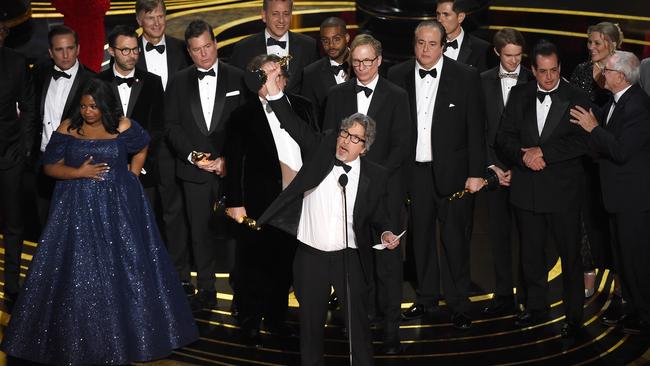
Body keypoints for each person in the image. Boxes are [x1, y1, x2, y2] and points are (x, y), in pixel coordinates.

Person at [1, 78, 198, 364]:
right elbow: (50, 167)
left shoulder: (123, 126)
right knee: (78, 269)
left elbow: (143, 146)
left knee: (127, 267)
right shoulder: (68, 128)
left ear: (104, 105)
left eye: (93, 106)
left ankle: (133, 335)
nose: (87, 111)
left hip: (119, 208)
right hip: (76, 207)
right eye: (83, 106)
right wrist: (78, 173)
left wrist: (132, 174)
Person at [258, 61, 401, 365]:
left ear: (365, 147)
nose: (346, 141)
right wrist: (273, 90)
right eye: (344, 133)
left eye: (354, 139)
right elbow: (293, 123)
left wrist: (387, 232)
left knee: (358, 328)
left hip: (348, 257)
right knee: (310, 328)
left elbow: (381, 217)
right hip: (310, 256)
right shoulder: (322, 147)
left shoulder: (376, 176)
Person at [387, 20, 485, 330]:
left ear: (443, 46)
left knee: (455, 240)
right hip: (414, 173)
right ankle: (427, 298)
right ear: (413, 44)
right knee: (421, 240)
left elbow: (475, 130)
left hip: (454, 174)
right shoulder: (397, 75)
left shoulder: (466, 76)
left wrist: (475, 174)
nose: (425, 49)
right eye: (420, 43)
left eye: (432, 44)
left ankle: (458, 304)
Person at [323, 33, 411, 354]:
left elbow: (403, 144)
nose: (360, 67)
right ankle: (360, 327)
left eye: (367, 61)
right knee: (355, 263)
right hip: (346, 191)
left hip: (386, 191)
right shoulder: (336, 95)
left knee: (388, 264)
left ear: (379, 60)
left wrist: (371, 176)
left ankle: (391, 332)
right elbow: (329, 139)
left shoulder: (397, 95)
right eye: (355, 61)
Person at [496, 40, 590, 338]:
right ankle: (535, 308)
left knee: (570, 257)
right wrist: (524, 155)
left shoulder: (577, 96)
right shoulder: (520, 94)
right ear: (532, 70)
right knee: (530, 255)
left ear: (560, 67)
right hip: (527, 190)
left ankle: (574, 318)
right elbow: (504, 137)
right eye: (543, 71)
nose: (549, 77)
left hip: (562, 192)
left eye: (554, 70)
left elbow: (582, 141)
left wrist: (543, 153)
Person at [224, 54, 317, 346]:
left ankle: (277, 319)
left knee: (284, 265)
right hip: (258, 205)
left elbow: (316, 154)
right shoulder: (242, 115)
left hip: (299, 202)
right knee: (252, 264)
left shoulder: (304, 107)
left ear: (285, 79)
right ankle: (249, 319)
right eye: (262, 76)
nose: (270, 81)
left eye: (275, 75)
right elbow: (235, 163)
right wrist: (235, 203)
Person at [165, 20, 245, 310]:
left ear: (215, 43)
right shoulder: (177, 81)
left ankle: (240, 294)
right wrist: (194, 157)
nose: (204, 54)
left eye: (208, 46)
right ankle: (207, 290)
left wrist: (227, 160)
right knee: (199, 234)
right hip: (193, 172)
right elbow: (171, 126)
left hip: (231, 172)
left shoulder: (238, 77)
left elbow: (246, 126)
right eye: (197, 50)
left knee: (236, 235)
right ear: (189, 51)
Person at [570, 50, 650, 336]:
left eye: (607, 70)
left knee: (636, 259)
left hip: (633, 200)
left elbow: (621, 150)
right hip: (618, 198)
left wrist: (593, 128)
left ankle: (644, 313)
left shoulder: (639, 105)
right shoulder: (618, 101)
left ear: (621, 76)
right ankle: (631, 305)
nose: (602, 73)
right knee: (623, 258)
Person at [135, 0, 193, 295]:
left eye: (161, 16)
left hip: (173, 145)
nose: (157, 23)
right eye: (150, 17)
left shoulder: (181, 48)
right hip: (141, 146)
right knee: (144, 212)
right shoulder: (128, 50)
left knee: (174, 212)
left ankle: (180, 274)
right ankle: (145, 275)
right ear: (139, 19)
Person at [480, 28, 533, 315]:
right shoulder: (482, 82)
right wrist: (493, 167)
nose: (514, 62)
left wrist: (517, 165)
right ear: (497, 53)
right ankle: (502, 295)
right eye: (509, 56)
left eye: (518, 56)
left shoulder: (533, 80)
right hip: (493, 172)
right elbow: (479, 130)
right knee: (499, 238)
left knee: (528, 237)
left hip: (525, 171)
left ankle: (527, 296)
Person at [570, 21, 624, 300]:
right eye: (589, 42)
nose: (591, 47)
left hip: (611, 157)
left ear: (612, 45)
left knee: (611, 220)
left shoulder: (623, 73)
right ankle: (587, 271)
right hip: (582, 156)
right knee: (583, 216)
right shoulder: (580, 70)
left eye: (597, 43)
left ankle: (618, 277)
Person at [32, 25, 95, 227]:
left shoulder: (93, 81)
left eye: (70, 48)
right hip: (41, 162)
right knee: (45, 226)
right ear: (50, 52)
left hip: (76, 164)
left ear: (78, 49)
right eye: (59, 50)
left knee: (76, 228)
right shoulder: (39, 74)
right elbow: (30, 114)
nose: (66, 55)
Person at [97, 25, 165, 204]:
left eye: (135, 49)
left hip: (144, 171)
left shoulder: (153, 82)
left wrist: (138, 162)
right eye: (125, 50)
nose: (132, 55)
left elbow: (157, 128)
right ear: (111, 51)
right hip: (104, 171)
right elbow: (93, 127)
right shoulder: (97, 83)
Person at [0, 20, 35, 309]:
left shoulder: (16, 62)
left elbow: (28, 105)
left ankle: (12, 285)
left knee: (13, 223)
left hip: (10, 153)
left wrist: (23, 148)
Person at [228, 0, 318, 93]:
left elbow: (314, 88)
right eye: (275, 14)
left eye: (286, 14)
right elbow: (235, 89)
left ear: (291, 16)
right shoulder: (243, 48)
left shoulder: (309, 46)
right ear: (264, 15)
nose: (281, 20)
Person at [300, 16, 351, 128]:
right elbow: (310, 118)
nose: (331, 45)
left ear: (347, 37)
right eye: (325, 40)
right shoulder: (311, 73)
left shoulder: (365, 63)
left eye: (336, 39)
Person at [436, 0, 490, 72]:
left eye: (446, 14)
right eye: (438, 14)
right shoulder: (426, 44)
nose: (439, 19)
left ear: (460, 17)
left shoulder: (481, 48)